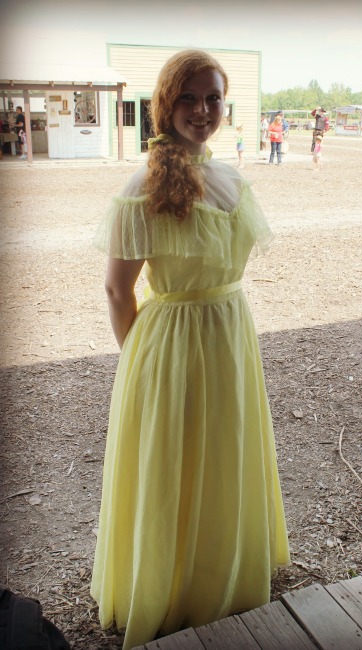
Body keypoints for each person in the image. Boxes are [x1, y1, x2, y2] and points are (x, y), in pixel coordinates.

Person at [91, 48, 290, 650]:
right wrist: (143, 364)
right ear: (165, 104)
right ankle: (171, 589)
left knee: (223, 453)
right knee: (172, 463)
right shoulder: (141, 186)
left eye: (213, 99)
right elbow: (116, 289)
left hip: (230, 333)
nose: (202, 110)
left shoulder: (231, 177)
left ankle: (221, 577)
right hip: (171, 344)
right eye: (189, 98)